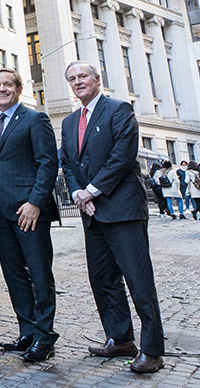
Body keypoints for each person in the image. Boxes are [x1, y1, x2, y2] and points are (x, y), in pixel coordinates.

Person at [59, 61, 165, 374]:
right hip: (91, 215)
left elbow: (123, 156)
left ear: (97, 79)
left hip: (122, 212)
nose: (78, 82)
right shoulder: (68, 122)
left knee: (139, 281)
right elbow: (67, 162)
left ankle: (152, 350)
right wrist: (79, 195)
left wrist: (91, 191)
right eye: (72, 78)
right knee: (103, 280)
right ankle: (120, 339)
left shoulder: (119, 110)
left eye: (83, 76)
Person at [0, 68, 59, 363]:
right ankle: (26, 331)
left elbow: (47, 163)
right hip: (0, 213)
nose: (1, 89)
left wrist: (36, 202)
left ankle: (44, 337)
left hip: (29, 212)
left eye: (7, 84)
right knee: (14, 275)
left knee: (40, 275)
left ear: (18, 87)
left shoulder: (35, 119)